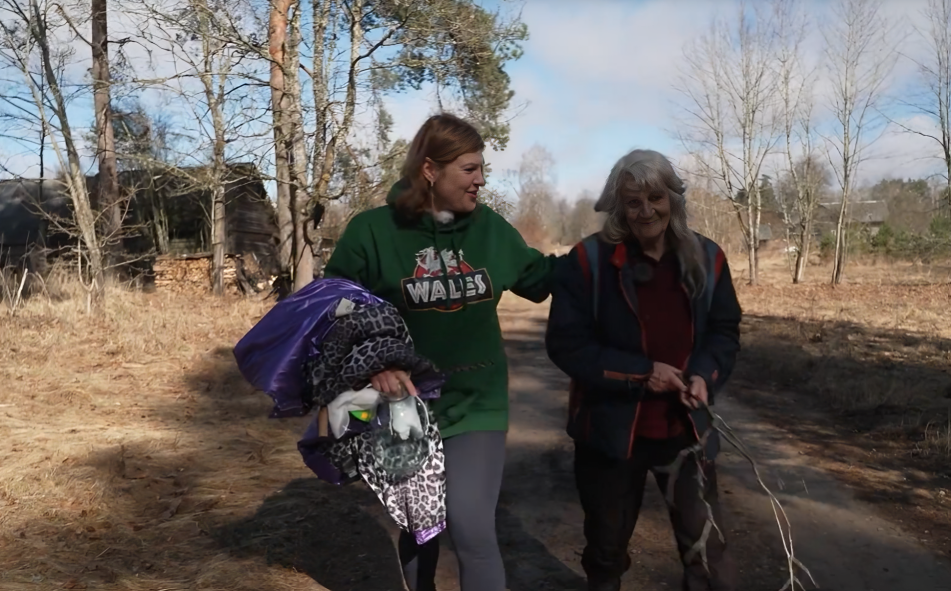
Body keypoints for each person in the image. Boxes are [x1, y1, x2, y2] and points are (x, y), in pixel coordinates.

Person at [322, 113, 556, 591]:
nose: (481, 179)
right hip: (403, 407)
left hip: (477, 402)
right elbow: (332, 312)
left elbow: (542, 279)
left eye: (481, 168)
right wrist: (376, 367)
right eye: (469, 169)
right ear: (430, 170)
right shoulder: (371, 232)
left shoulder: (489, 229)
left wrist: (608, 250)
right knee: (420, 526)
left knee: (472, 528)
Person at [545, 149, 742, 591]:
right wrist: (640, 373)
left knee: (707, 558)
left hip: (686, 431)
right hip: (610, 436)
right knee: (606, 554)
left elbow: (725, 331)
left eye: (656, 197)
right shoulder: (587, 262)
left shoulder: (707, 259)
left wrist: (704, 376)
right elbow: (566, 345)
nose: (646, 210)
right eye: (632, 201)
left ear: (673, 197)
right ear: (618, 206)